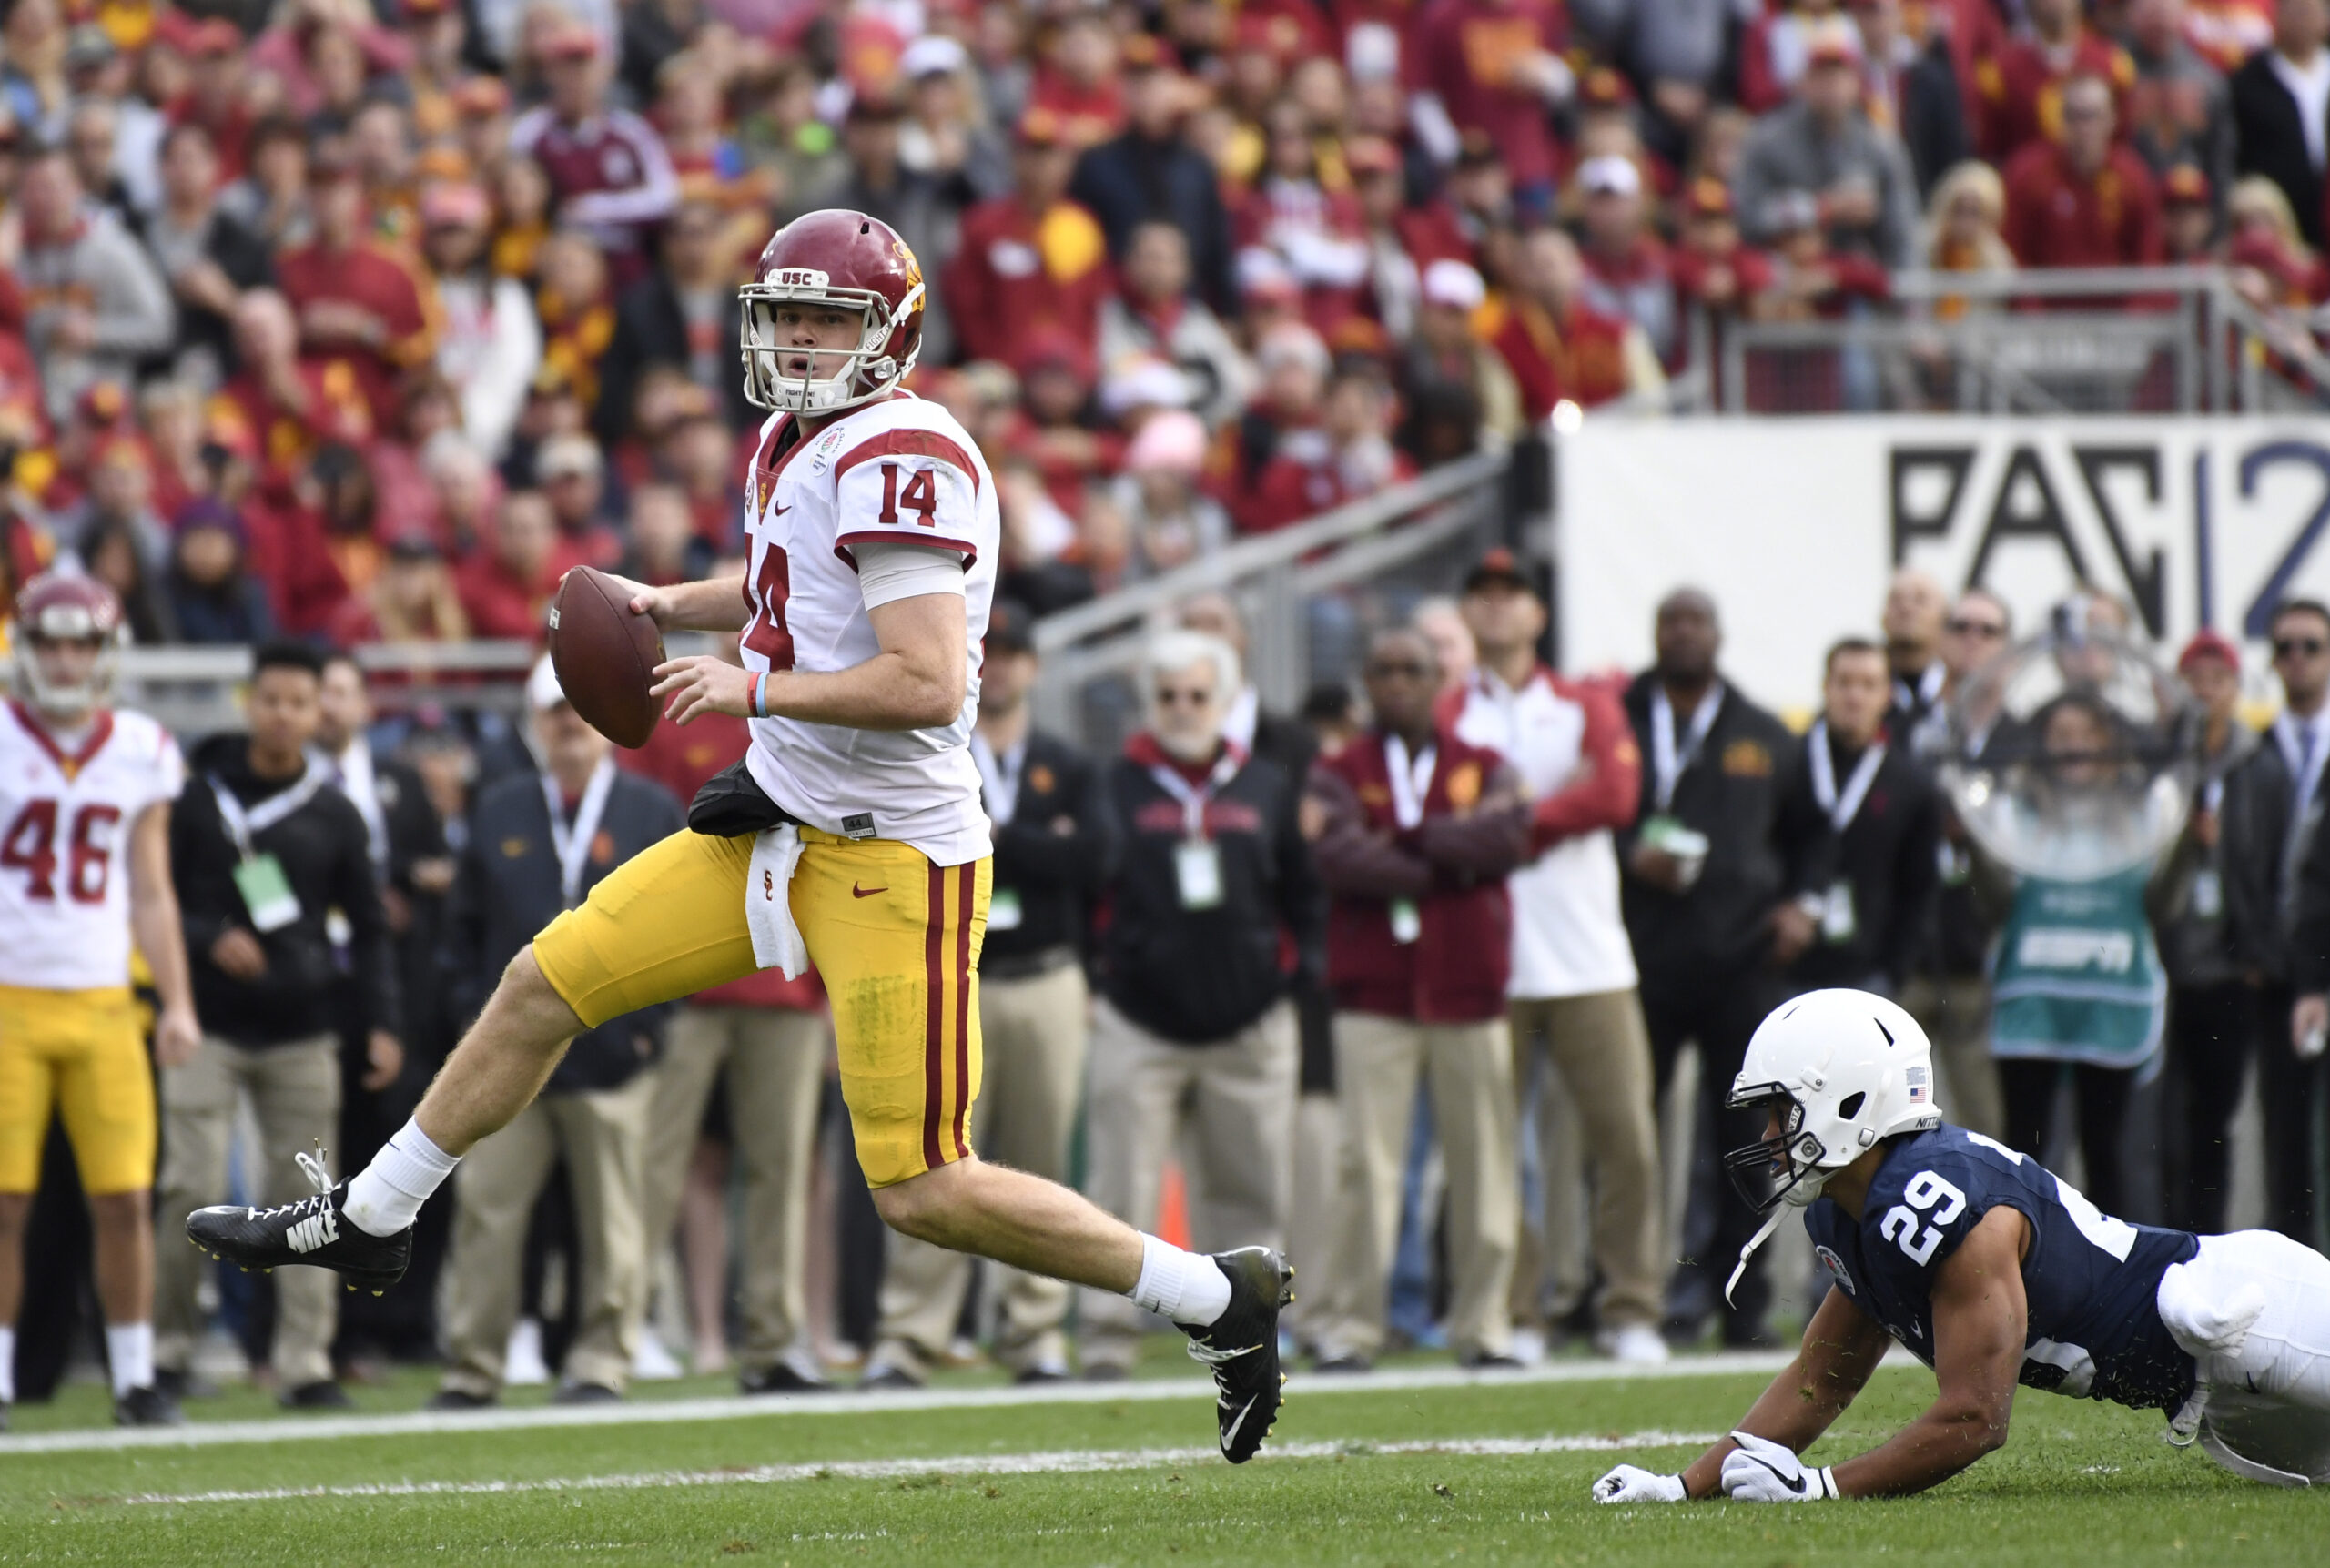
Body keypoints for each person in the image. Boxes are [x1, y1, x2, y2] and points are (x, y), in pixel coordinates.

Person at [193, 211, 1296, 1464]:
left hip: (896, 858)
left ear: (893, 331)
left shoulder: (906, 452)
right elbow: (792, 581)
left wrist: (747, 688)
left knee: (923, 1184)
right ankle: (374, 1213)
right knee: (539, 984)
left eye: (828, 316)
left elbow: (928, 678)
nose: (798, 337)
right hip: (780, 822)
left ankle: (1217, 1294)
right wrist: (677, 600)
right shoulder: (793, 437)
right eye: (784, 313)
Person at [1595, 987, 2330, 1501]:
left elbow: (1977, 1417)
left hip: (2248, 1313)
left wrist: (1820, 1487)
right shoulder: (1849, 1208)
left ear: (1847, 1099)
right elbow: (1823, 1378)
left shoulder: (1941, 1201)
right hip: (2211, 1388)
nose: (1767, 1137)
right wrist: (1684, 1485)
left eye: (1781, 1111)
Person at [867, 601, 1107, 1387]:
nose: (998, 663)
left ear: (1033, 666)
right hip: (949, 973)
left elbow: (1096, 859)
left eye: (1012, 650)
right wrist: (1043, 841)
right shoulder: (932, 746)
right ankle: (910, 1333)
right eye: (988, 648)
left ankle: (1034, 1330)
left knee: (1037, 1156)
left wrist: (1002, 837)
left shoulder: (1066, 761)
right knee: (928, 1158)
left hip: (1041, 975)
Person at [431, 657, 682, 1408]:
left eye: (579, 709)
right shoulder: (501, 807)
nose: (568, 725)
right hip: (514, 1054)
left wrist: (649, 1033)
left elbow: (679, 933)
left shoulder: (650, 808)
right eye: (554, 710)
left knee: (614, 1217)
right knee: (489, 1206)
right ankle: (473, 1364)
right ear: (534, 721)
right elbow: (462, 935)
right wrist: (473, 1028)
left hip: (610, 1050)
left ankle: (601, 1361)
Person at [158, 640, 401, 1411]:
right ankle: (164, 1353)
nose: (285, 714)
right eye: (272, 700)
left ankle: (303, 1361)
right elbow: (154, 896)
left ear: (317, 712)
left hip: (303, 1029)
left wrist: (383, 1022)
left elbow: (368, 926)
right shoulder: (196, 796)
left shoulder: (334, 810)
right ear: (248, 702)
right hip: (208, 1025)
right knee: (189, 1182)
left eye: (301, 702)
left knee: (311, 1205)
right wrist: (205, 937)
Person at [1078, 628, 1320, 1380]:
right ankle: (1105, 1340)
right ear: (1150, 703)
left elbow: (1302, 896)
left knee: (1249, 1192)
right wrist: (1099, 980)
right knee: (1119, 1189)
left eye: (1196, 695)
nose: (1183, 709)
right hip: (1138, 1020)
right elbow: (1089, 889)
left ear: (1222, 699)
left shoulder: (1265, 785)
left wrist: (1285, 984)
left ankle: (1252, 1334)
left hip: (1247, 1024)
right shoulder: (1115, 782)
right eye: (1169, 696)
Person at [1444, 551, 1668, 1364]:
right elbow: (1437, 823)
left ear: (1538, 614)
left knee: (1627, 1140)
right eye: (1484, 594)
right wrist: (1547, 810)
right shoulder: (1449, 713)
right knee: (1498, 1149)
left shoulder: (1584, 702)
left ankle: (1630, 1305)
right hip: (1490, 963)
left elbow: (1615, 797)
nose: (1498, 609)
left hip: (1589, 960)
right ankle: (1519, 1311)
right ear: (1468, 613)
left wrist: (1511, 819)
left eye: (1513, 596)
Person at [0, 577, 198, 1430]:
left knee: (123, 1196)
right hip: (8, 998)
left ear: (107, 652)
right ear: (26, 646)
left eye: (81, 643)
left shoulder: (142, 747)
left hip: (107, 999)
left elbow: (151, 890)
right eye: (51, 641)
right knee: (6, 1202)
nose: (65, 658)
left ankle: (134, 1375)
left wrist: (179, 1001)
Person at [1305, 627, 1530, 1371]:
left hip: (1469, 988)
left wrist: (1402, 838)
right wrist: (1446, 851)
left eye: (1413, 669)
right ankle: (1352, 1327)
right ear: (1366, 681)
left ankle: (1484, 1325)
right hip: (1376, 991)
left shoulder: (1485, 763)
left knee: (1486, 1162)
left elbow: (1507, 837)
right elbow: (1334, 854)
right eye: (1384, 669)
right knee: (1364, 1166)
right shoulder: (1339, 768)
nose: (1398, 680)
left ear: (1440, 680)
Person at [1618, 587, 1798, 1344]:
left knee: (1741, 1143)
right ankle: (1625, 1291)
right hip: (1639, 957)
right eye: (1670, 622)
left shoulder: (1761, 731)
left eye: (1695, 622)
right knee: (1630, 1132)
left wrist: (1802, 902)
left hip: (1738, 959)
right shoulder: (1620, 719)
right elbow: (1594, 814)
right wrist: (1631, 853)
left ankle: (1737, 1297)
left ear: (1717, 635)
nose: (1682, 633)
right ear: (1656, 634)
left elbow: (1804, 831)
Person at [1899, 589, 2013, 1140]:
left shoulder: (2025, 736)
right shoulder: (1908, 726)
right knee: (1891, 1128)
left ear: (2007, 647)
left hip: (1986, 961)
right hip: (1911, 954)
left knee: (1987, 1133)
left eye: (1987, 629)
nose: (1972, 638)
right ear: (1941, 639)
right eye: (1960, 625)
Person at [1770, 639, 1942, 997]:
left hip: (1866, 977)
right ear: (1825, 687)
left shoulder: (1911, 784)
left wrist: (1893, 974)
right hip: (1781, 969)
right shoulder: (1785, 762)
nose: (1855, 696)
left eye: (1868, 685)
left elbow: (1920, 887)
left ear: (1887, 695)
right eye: (1844, 682)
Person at [2160, 632, 2261, 1237]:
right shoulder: (2162, 761)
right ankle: (2165, 1241)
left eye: (2216, 680)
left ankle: (2212, 1239)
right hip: (2169, 964)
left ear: (2235, 689)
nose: (2204, 693)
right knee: (2161, 1125)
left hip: (2229, 970)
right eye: (2192, 680)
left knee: (2214, 1121)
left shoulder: (2257, 762)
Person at [2262, 601, 2330, 1249]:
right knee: (2286, 1140)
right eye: (2286, 645)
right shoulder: (2257, 746)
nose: (2299, 658)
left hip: (2315, 966)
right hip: (2279, 973)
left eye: (2312, 644)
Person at [2229, 0, 2330, 249]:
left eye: (2308, 11)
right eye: (2292, 10)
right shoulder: (2248, 81)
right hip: (2278, 219)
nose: (2301, 20)